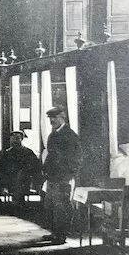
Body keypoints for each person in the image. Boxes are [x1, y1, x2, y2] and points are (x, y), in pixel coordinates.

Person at [42, 105, 82, 245]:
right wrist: (45, 171)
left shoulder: (70, 135)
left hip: (63, 177)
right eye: (50, 118)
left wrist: (68, 176)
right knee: (51, 205)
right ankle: (54, 232)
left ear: (63, 117)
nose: (52, 120)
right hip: (52, 176)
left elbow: (76, 158)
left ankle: (61, 235)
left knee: (61, 206)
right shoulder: (53, 135)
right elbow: (50, 155)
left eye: (55, 117)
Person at [0, 131, 41, 213]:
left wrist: (23, 172)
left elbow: (34, 167)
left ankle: (18, 205)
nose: (14, 141)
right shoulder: (6, 153)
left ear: (22, 139)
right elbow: (0, 168)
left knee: (20, 179)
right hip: (8, 178)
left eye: (17, 139)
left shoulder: (28, 152)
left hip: (22, 179)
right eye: (12, 139)